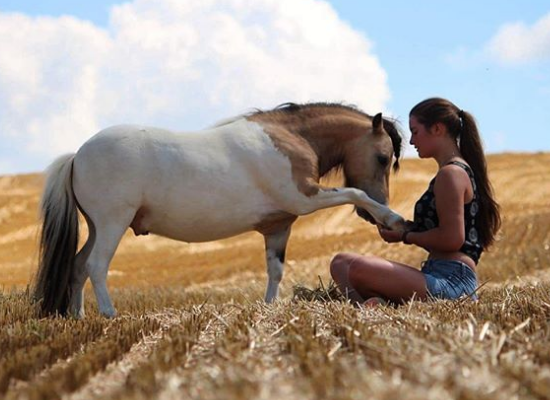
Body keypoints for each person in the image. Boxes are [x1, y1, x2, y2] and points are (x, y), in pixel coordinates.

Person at [330, 97, 501, 305]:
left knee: (358, 268)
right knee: (340, 263)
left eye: (415, 131)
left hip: (453, 283)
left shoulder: (451, 174)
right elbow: (441, 230)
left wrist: (406, 236)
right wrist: (394, 224)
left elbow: (452, 239)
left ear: (437, 129)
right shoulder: (450, 172)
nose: (411, 141)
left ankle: (379, 307)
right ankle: (374, 308)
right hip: (435, 274)